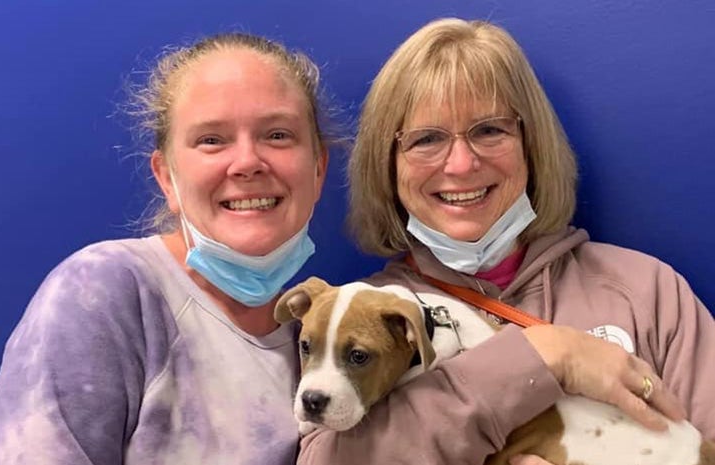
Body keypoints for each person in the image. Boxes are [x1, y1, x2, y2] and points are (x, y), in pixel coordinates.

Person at [298, 18, 715, 465]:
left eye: (489, 130)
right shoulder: (356, 315)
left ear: (530, 144)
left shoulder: (646, 291)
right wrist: (546, 359)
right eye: (426, 139)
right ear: (388, 165)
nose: (460, 164)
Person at [0, 33, 329, 464]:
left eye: (278, 134)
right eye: (212, 139)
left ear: (318, 169)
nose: (247, 162)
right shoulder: (106, 293)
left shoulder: (319, 332)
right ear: (167, 177)